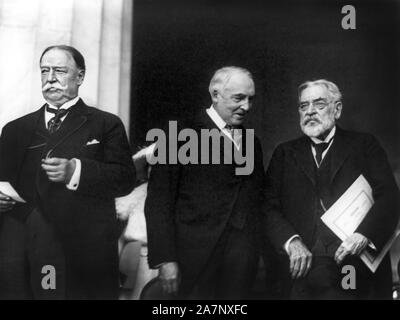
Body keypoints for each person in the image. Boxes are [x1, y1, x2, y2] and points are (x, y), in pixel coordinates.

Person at [0, 45, 135, 299]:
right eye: (44, 71)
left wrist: (77, 171)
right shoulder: (14, 129)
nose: (50, 78)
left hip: (83, 252)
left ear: (80, 77)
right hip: (23, 251)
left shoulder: (106, 124)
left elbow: (124, 179)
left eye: (60, 71)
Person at [264, 79, 399, 299]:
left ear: (337, 109)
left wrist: (363, 235)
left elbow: (390, 198)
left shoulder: (364, 145)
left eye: (318, 104)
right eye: (303, 106)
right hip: (301, 267)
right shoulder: (284, 153)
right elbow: (268, 206)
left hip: (353, 266)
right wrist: (292, 242)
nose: (309, 112)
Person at [144, 66, 265, 299]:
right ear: (215, 94)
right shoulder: (177, 136)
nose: (246, 107)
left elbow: (256, 199)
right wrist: (165, 259)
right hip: (193, 260)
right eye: (239, 98)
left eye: (251, 99)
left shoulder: (252, 142)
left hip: (241, 263)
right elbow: (159, 201)